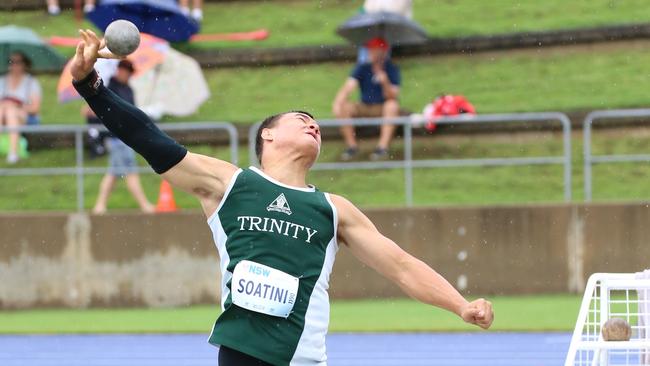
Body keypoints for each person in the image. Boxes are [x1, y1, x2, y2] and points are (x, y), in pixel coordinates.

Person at [70, 29, 493, 365]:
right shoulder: (229, 184)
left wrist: (460, 306)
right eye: (301, 119)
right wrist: (91, 85)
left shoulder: (333, 208)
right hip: (241, 353)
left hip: (304, 358)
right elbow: (151, 140)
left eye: (317, 125)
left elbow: (400, 266)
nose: (314, 125)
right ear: (267, 134)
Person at [88, 59, 155, 214]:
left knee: (113, 173)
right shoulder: (108, 88)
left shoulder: (128, 90)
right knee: (130, 171)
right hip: (116, 136)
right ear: (119, 70)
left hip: (124, 136)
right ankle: (144, 204)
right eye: (125, 70)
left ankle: (100, 205)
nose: (127, 74)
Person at [333, 37, 401, 161]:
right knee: (344, 106)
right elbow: (349, 85)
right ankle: (352, 147)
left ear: (382, 51)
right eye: (370, 49)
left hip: (382, 107)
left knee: (392, 106)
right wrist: (338, 102)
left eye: (374, 49)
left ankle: (382, 148)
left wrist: (385, 81)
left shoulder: (392, 69)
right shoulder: (363, 67)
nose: (370, 52)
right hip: (365, 105)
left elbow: (393, 96)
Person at [0, 52, 41, 164]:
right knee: (5, 110)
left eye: (18, 62)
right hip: (2, 113)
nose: (14, 65)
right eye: (11, 62)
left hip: (24, 116)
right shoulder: (2, 81)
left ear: (24, 64)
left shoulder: (31, 82)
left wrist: (16, 105)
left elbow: (35, 109)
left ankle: (13, 152)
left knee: (11, 112)